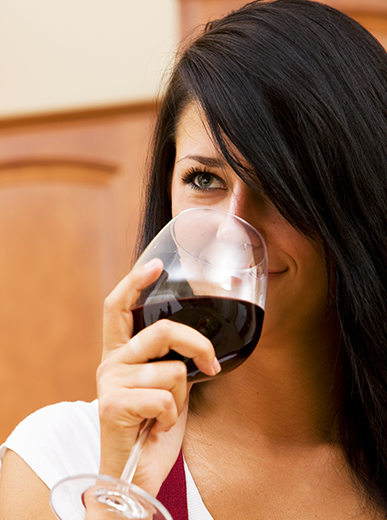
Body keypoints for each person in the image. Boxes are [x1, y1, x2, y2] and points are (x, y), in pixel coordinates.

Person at [2, 0, 387, 518]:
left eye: (282, 182)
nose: (233, 226)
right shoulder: (58, 462)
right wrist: (123, 493)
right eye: (204, 179)